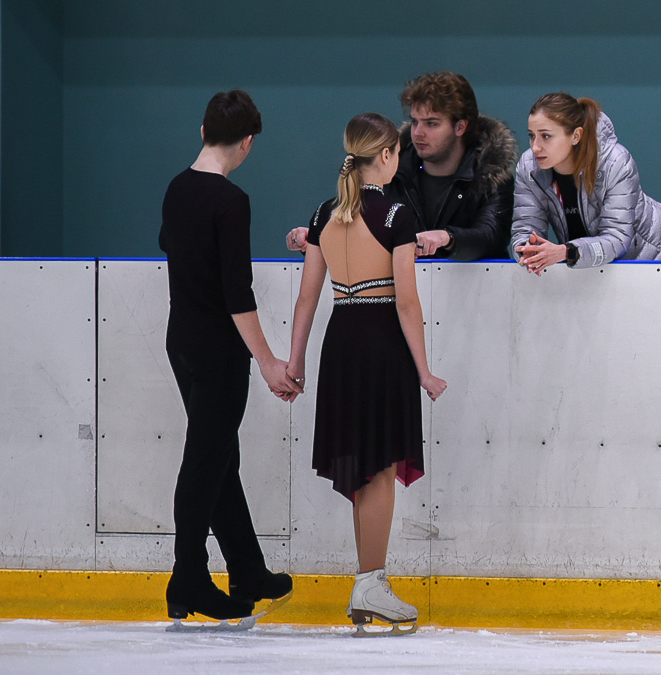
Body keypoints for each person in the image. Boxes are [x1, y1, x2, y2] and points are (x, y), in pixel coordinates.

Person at [286, 113, 446, 635]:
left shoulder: (323, 213)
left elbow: (307, 297)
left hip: (340, 344)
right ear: (387, 155)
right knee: (379, 468)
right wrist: (424, 369)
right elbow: (406, 302)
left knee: (364, 466)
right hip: (381, 347)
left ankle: (368, 579)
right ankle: (371, 581)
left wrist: (295, 361)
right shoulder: (397, 214)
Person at [159, 90, 297, 622]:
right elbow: (237, 293)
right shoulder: (229, 201)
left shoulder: (176, 189)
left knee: (219, 457)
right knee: (206, 461)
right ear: (247, 142)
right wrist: (266, 361)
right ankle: (187, 579)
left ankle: (247, 568)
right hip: (218, 350)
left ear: (201, 131)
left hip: (181, 344)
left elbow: (169, 245)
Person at [287, 72, 517, 261]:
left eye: (432, 124)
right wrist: (320, 236)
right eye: (415, 121)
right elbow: (359, 221)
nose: (418, 133)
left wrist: (448, 237)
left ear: (460, 127)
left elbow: (490, 236)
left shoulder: (492, 176)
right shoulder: (392, 170)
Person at [512, 92, 661, 274]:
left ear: (575, 136)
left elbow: (617, 239)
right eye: (531, 136)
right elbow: (525, 227)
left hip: (659, 257)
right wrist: (528, 250)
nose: (535, 147)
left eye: (546, 136)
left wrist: (566, 252)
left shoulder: (615, 162)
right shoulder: (529, 167)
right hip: (592, 264)